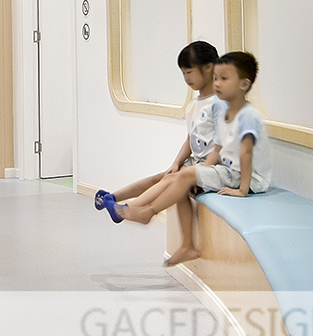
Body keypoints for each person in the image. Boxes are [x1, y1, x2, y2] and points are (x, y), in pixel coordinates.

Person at [102, 51, 271, 266]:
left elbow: (246, 153)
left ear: (244, 84)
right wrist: (197, 173)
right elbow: (218, 147)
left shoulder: (247, 115)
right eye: (216, 78)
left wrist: (242, 190)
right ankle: (187, 245)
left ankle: (148, 212)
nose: (217, 84)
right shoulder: (229, 113)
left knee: (184, 177)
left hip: (247, 179)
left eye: (224, 79)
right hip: (230, 171)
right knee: (180, 181)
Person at [94, 41, 222, 262]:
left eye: (190, 72)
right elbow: (190, 138)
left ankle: (131, 209)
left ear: (209, 67)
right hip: (198, 163)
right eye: (183, 73)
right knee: (164, 176)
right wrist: (176, 162)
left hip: (214, 167)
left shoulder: (219, 103)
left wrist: (201, 173)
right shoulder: (196, 103)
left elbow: (221, 146)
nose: (187, 78)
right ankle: (116, 199)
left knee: (172, 181)